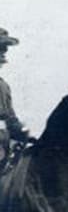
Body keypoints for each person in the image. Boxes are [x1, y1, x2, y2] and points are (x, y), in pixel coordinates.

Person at [0, 27, 31, 167]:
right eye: (1, 48)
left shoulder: (4, 86)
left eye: (4, 48)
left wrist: (21, 131)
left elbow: (10, 117)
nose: (4, 53)